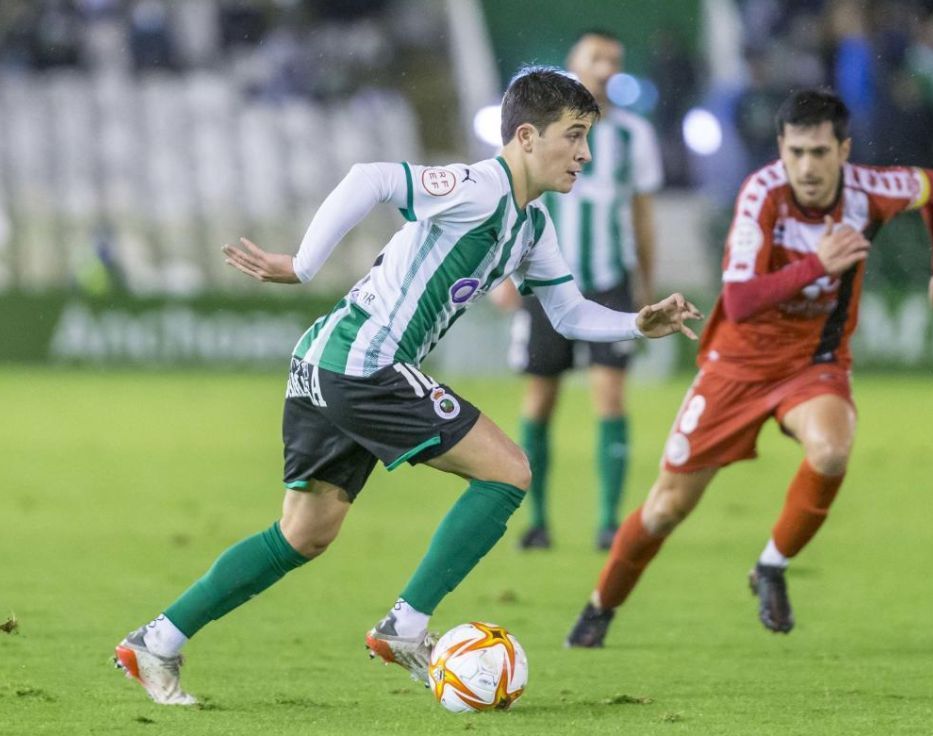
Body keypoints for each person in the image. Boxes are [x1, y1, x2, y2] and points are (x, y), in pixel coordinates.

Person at [112, 66, 701, 705]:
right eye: (575, 135)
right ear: (527, 136)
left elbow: (567, 313)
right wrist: (301, 265)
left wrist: (637, 325)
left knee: (303, 534)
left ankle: (157, 641)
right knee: (507, 473)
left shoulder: (531, 227)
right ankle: (406, 627)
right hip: (366, 363)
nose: (585, 153)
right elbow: (371, 178)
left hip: (326, 360)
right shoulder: (479, 187)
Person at [566, 89, 933, 647]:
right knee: (666, 507)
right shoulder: (762, 194)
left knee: (831, 447)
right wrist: (816, 264)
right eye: (796, 151)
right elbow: (742, 298)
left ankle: (771, 566)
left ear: (843, 150)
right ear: (781, 146)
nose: (807, 165)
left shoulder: (872, 190)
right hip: (735, 366)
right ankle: (599, 608)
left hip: (813, 362)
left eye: (820, 152)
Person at [492, 30, 663, 552]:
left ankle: (610, 522)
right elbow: (510, 197)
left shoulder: (633, 135)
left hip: (609, 280)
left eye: (614, 59)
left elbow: (640, 213)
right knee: (540, 397)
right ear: (574, 63)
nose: (606, 67)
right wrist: (502, 273)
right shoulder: (538, 131)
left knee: (610, 396)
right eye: (596, 57)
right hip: (543, 282)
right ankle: (537, 521)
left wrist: (645, 282)